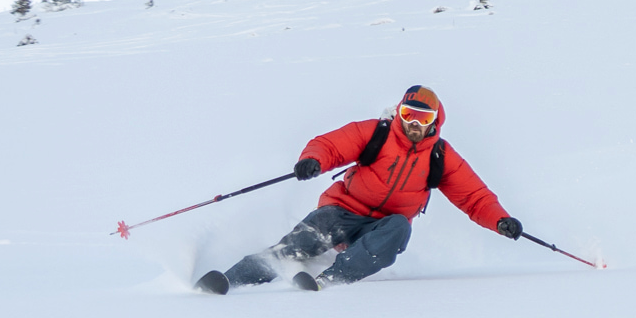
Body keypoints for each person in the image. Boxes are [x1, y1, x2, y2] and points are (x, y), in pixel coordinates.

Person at [198, 85, 524, 293]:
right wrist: (313, 160)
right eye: (409, 114)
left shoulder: (441, 157)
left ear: (435, 122)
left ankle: (332, 278)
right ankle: (234, 277)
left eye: (423, 118)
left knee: (399, 228)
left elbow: (474, 197)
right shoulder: (377, 133)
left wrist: (500, 221)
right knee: (308, 237)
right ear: (400, 112)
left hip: (384, 226)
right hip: (344, 209)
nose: (414, 124)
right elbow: (331, 145)